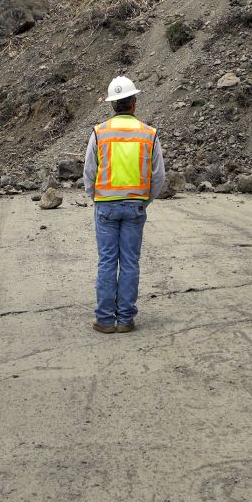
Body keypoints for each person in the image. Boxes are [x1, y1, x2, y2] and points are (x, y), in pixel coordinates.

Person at [83, 75, 165, 333]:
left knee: (107, 261)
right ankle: (126, 319)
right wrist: (144, 201)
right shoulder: (148, 134)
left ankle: (105, 320)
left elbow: (88, 172)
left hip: (106, 206)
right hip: (135, 207)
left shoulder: (100, 132)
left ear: (112, 105)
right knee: (130, 262)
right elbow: (158, 176)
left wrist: (97, 199)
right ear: (134, 103)